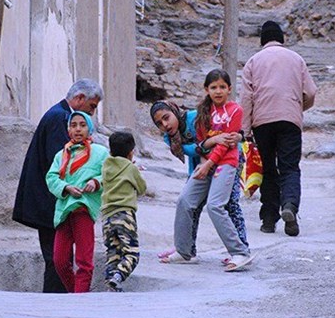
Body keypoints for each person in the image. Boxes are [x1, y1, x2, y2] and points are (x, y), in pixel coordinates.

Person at [12, 79, 103, 293]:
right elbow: (63, 165)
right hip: (51, 201)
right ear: (80, 99)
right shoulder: (60, 118)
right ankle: (58, 301)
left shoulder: (61, 115)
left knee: (60, 258)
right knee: (57, 259)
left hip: (55, 200)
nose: (91, 115)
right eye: (92, 107)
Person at [169, 69, 254, 272]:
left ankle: (240, 252)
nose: (218, 91)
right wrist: (204, 161)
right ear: (207, 89)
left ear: (229, 89)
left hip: (226, 163)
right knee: (185, 200)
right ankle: (184, 252)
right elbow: (202, 143)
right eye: (214, 87)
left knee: (216, 205)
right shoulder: (202, 113)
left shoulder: (235, 110)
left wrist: (208, 164)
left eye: (222, 87)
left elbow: (226, 143)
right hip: (206, 161)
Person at [240, 20, 317, 237]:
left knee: (267, 169)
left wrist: (245, 131)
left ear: (262, 40)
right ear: (281, 39)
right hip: (290, 121)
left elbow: (247, 98)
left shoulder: (253, 61)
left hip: (262, 122)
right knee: (290, 167)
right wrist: (298, 108)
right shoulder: (296, 59)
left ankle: (268, 219)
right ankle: (289, 206)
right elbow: (310, 92)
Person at [150, 101, 248, 263]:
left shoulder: (197, 117)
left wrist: (229, 138)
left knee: (228, 203)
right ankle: (186, 250)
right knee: (188, 204)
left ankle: (241, 250)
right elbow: (191, 151)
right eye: (159, 123)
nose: (165, 125)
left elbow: (225, 134)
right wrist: (209, 143)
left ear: (175, 111)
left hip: (228, 159)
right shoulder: (170, 138)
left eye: (166, 118)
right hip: (202, 166)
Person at [45, 111, 109, 293]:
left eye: (82, 125)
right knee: (59, 260)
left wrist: (95, 182)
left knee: (84, 261)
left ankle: (79, 298)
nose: (78, 129)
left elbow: (108, 174)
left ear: (90, 129)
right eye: (73, 125)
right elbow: (51, 177)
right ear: (68, 129)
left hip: (83, 210)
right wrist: (66, 188)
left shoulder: (100, 153)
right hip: (64, 211)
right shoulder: (61, 154)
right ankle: (76, 293)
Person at [100, 131, 148, 292]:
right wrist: (134, 169)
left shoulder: (106, 165)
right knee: (131, 253)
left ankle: (110, 285)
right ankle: (119, 276)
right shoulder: (130, 167)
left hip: (107, 217)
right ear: (130, 152)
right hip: (124, 215)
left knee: (113, 252)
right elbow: (142, 189)